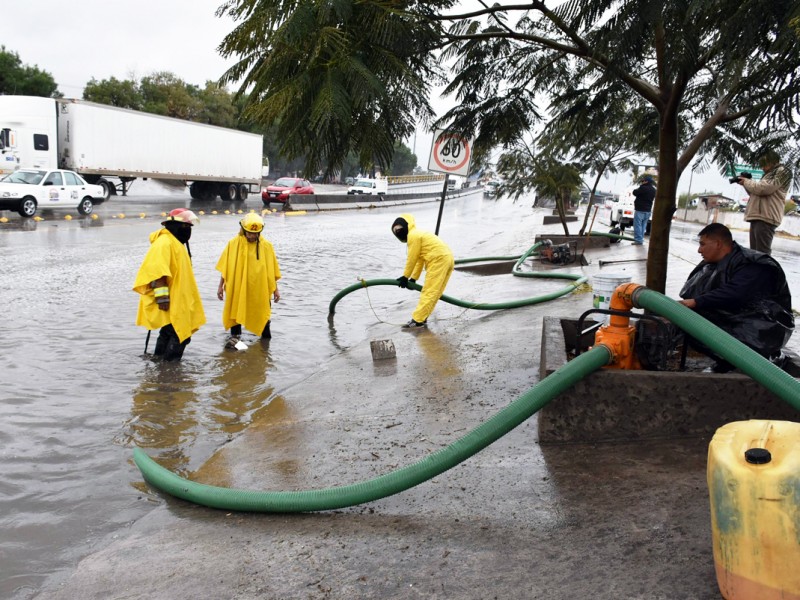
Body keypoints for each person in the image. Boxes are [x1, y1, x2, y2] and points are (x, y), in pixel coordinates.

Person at [678, 223, 793, 372]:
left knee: (698, 325)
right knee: (690, 324)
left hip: (762, 327)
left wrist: (695, 302)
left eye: (702, 244)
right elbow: (692, 290)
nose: (699, 249)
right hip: (737, 317)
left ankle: (752, 364)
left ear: (718, 244)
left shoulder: (753, 263)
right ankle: (729, 363)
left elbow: (736, 293)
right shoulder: (712, 263)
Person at [133, 208, 206, 361]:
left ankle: (160, 365)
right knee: (180, 334)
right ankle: (169, 370)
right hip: (172, 300)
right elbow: (157, 272)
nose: (188, 231)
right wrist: (162, 298)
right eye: (186, 227)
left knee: (169, 331)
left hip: (179, 298)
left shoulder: (175, 242)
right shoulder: (164, 243)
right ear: (175, 226)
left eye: (189, 227)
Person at [216, 212, 281, 347]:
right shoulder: (233, 244)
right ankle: (236, 341)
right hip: (238, 287)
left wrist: (276, 290)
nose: (252, 236)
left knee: (263, 314)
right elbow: (225, 268)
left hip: (259, 289)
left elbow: (271, 271)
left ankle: (264, 347)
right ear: (243, 230)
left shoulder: (266, 246)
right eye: (249, 233)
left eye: (255, 234)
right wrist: (220, 286)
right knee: (235, 311)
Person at [391, 214, 455, 329]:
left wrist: (405, 277)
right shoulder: (418, 234)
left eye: (399, 229)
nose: (398, 232)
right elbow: (419, 260)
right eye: (396, 231)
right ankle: (422, 317)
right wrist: (413, 279)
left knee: (429, 292)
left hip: (438, 260)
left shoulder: (413, 236)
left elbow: (412, 259)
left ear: (406, 227)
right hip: (448, 258)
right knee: (435, 293)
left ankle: (417, 320)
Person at [738, 152, 791, 254]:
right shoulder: (768, 175)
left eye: (764, 164)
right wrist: (746, 183)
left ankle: (765, 270)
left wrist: (747, 182)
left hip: (767, 216)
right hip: (758, 216)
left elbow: (764, 189)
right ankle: (757, 270)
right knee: (754, 253)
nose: (762, 167)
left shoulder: (782, 171)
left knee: (762, 254)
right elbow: (756, 193)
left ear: (772, 161)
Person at [631, 175, 656, 245]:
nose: (642, 182)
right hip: (648, 210)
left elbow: (635, 192)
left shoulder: (643, 188)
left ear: (646, 181)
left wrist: (639, 187)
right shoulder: (654, 190)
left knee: (637, 225)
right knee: (643, 225)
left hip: (640, 209)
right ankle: (640, 239)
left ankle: (638, 240)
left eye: (643, 181)